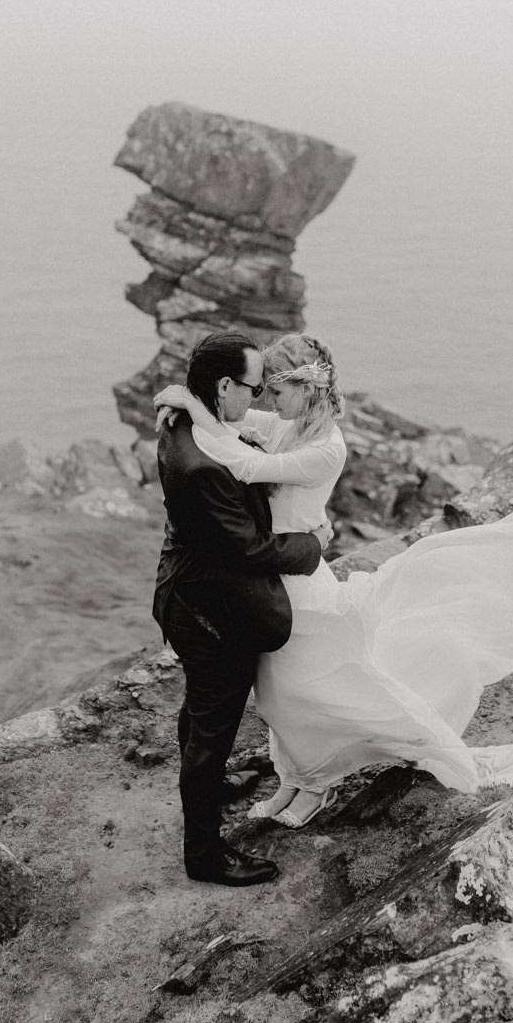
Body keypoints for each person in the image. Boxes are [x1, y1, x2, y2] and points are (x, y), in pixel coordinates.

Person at [154, 331, 513, 828]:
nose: (264, 400)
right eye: (261, 391)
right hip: (277, 576)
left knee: (305, 691)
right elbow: (234, 426)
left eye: (273, 391)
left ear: (304, 389)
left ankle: (316, 784)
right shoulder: (288, 421)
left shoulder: (326, 447)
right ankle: (295, 776)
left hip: (298, 578)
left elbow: (246, 464)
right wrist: (195, 402)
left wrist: (192, 410)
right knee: (284, 694)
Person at [152, 330, 332, 886]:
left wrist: (179, 396)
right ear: (223, 385)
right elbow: (250, 549)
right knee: (212, 726)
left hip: (189, 587)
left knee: (201, 713)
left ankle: (209, 785)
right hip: (209, 611)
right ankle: (204, 855)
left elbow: (238, 442)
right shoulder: (204, 463)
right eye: (254, 389)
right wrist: (314, 545)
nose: (258, 402)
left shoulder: (184, 424)